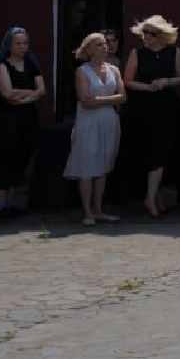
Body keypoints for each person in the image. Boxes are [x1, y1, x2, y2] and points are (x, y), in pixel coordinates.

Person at [122, 15, 180, 219]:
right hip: (144, 107)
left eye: (151, 33)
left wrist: (166, 82)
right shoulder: (138, 53)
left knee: (165, 150)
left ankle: (156, 196)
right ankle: (150, 199)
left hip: (168, 107)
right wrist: (148, 87)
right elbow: (128, 80)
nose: (146, 37)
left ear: (161, 35)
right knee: (152, 153)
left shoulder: (173, 52)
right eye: (144, 33)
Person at [64, 32, 125, 226]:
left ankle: (98, 209)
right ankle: (87, 211)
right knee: (88, 164)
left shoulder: (114, 70)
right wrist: (108, 100)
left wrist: (99, 99)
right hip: (89, 123)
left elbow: (122, 97)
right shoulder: (82, 71)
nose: (105, 47)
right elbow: (85, 101)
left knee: (103, 166)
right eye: (99, 45)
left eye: (105, 44)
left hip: (109, 121)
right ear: (89, 49)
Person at [0, 27, 45, 220]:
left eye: (25, 43)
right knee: (4, 159)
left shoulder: (31, 64)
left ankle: (11, 203)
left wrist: (23, 96)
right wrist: (29, 92)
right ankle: (0, 205)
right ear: (9, 45)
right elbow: (7, 93)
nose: (22, 47)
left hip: (27, 118)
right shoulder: (2, 66)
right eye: (18, 44)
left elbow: (41, 90)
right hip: (6, 121)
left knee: (21, 159)